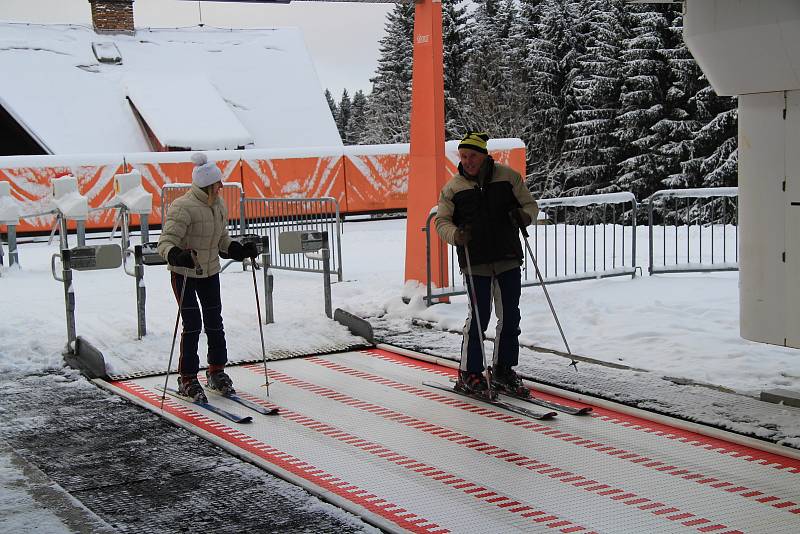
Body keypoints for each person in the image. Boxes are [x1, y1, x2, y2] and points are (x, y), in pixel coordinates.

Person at [435, 132, 539, 398]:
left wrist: (523, 216)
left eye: (472, 156)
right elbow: (442, 221)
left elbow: (530, 205)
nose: (467, 161)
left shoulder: (508, 177)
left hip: (507, 257)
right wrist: (456, 235)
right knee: (479, 318)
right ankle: (469, 372)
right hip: (475, 261)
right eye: (463, 156)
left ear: (484, 156)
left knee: (510, 317)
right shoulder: (454, 188)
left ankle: (503, 369)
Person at [157, 152, 258, 402]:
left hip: (210, 271)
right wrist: (176, 254)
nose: (222, 186)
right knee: (192, 324)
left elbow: (220, 237)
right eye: (218, 183)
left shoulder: (217, 204)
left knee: (214, 321)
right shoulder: (183, 207)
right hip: (185, 274)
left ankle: (216, 371)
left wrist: (236, 248)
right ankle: (187, 377)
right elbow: (165, 242)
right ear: (207, 184)